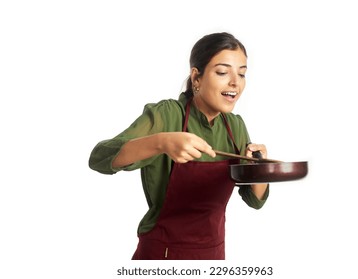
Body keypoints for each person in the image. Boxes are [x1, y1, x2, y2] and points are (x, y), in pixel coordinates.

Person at [89, 32, 270, 260]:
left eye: (242, 74)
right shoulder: (167, 114)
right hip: (164, 254)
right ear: (196, 77)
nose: (235, 82)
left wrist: (260, 167)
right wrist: (161, 142)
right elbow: (99, 159)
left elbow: (254, 201)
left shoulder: (235, 125)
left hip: (213, 254)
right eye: (223, 72)